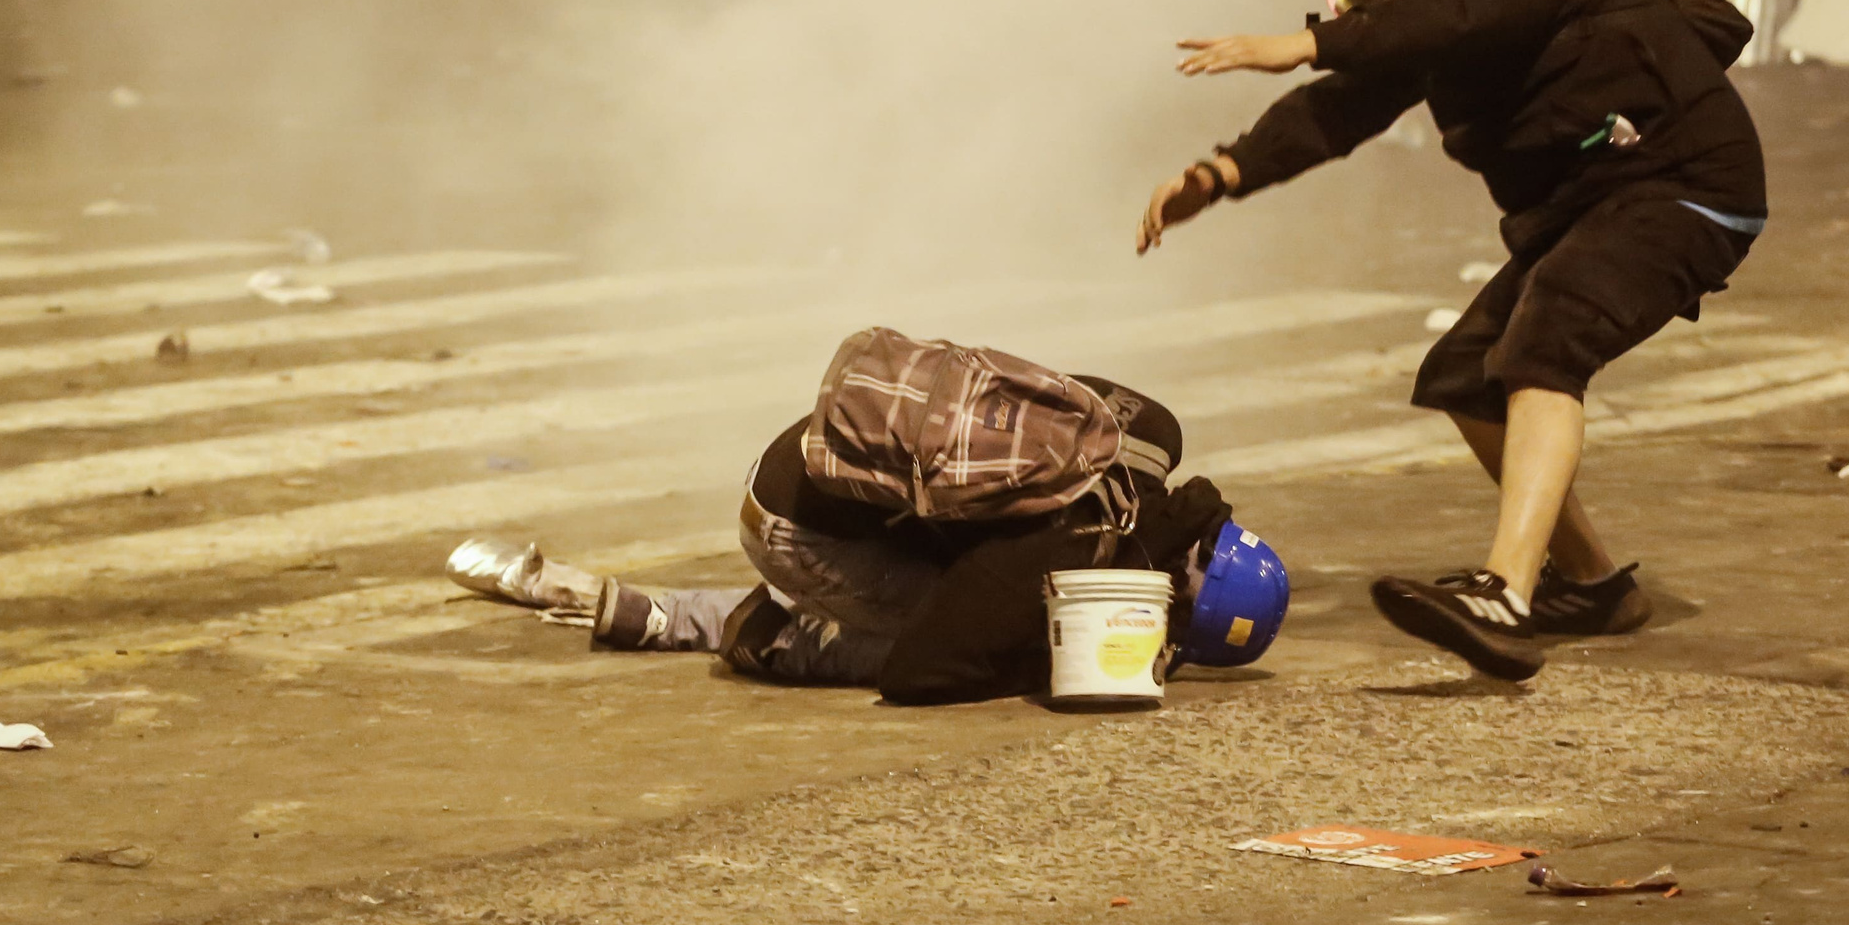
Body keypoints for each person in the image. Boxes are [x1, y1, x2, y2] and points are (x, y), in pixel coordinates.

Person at [1136, 0, 1764, 682]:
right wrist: (1223, 170)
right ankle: (1595, 586)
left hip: (1680, 180)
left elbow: (1461, 13)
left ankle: (1505, 595)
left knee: (1548, 340)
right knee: (1467, 371)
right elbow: (1346, 106)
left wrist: (1307, 39)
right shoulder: (1440, 2)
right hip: (1597, 202)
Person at [444, 335, 1289, 705]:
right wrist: (1047, 658)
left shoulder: (1152, 435)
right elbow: (921, 671)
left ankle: (670, 609)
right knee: (982, 634)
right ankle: (758, 635)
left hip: (815, 446)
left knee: (981, 599)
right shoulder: (1061, 549)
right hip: (792, 525)